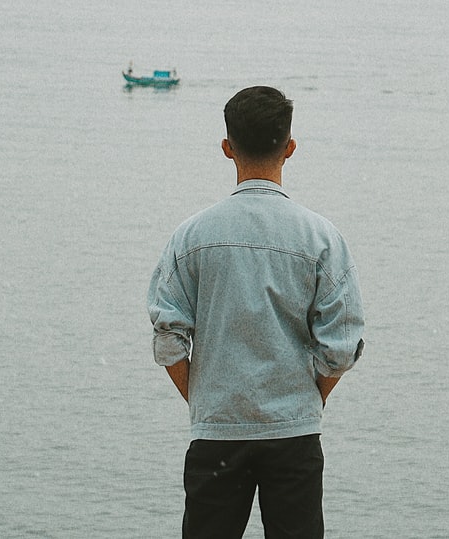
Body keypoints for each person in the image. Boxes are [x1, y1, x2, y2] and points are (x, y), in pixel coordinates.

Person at [148, 85, 366, 539]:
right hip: (293, 435)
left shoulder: (192, 236)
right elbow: (342, 346)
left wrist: (205, 399)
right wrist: (310, 397)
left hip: (216, 434)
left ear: (227, 148)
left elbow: (169, 338)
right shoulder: (322, 238)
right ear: (290, 148)